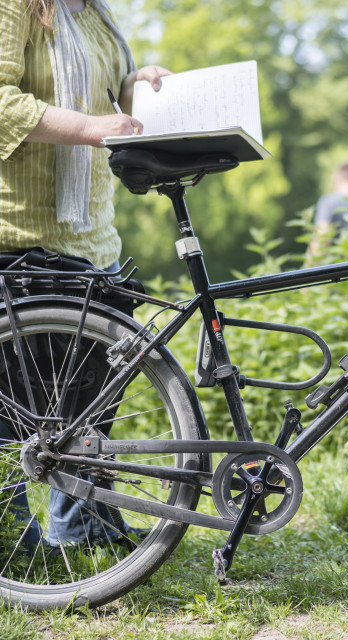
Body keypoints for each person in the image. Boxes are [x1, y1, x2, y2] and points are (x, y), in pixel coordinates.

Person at [0, 0, 169, 549]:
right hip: (20, 233)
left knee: (88, 397)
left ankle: (84, 523)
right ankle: (14, 539)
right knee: (15, 405)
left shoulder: (92, 10)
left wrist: (135, 86)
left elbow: (102, 92)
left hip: (91, 237)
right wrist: (88, 126)